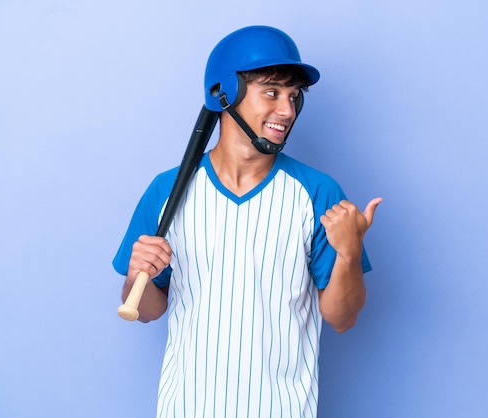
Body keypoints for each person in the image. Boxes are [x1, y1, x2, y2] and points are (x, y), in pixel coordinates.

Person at [113, 25, 382, 418]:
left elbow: (342, 318)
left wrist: (349, 253)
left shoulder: (319, 193)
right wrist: (136, 273)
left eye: (294, 96)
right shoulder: (166, 190)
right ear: (225, 94)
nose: (287, 110)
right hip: (186, 408)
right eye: (271, 92)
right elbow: (146, 308)